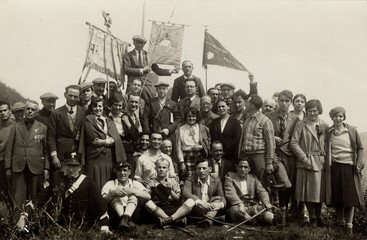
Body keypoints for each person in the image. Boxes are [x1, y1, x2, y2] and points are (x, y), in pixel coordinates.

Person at [15, 152, 111, 234]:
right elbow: (39, 198)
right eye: (69, 165)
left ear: (80, 167)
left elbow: (101, 204)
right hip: (59, 225)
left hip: (82, 226)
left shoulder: (88, 181)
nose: (71, 169)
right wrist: (23, 216)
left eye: (75, 166)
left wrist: (105, 226)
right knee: (26, 232)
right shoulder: (58, 180)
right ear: (64, 165)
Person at [5, 100, 49, 219]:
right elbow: (9, 148)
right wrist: (8, 167)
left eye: (33, 109)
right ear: (24, 110)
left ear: (37, 112)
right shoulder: (15, 127)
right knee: (18, 198)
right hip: (18, 167)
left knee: (34, 197)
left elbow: (46, 150)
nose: (29, 111)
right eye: (28, 108)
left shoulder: (43, 128)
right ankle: (16, 227)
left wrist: (46, 168)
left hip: (36, 168)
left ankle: (32, 224)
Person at [290, 99, 330, 227]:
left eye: (315, 111)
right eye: (310, 111)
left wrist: (326, 155)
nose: (313, 113)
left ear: (319, 111)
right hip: (306, 161)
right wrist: (304, 158)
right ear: (306, 112)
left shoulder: (324, 125)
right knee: (307, 192)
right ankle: (312, 217)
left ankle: (319, 216)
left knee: (319, 192)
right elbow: (293, 143)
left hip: (320, 162)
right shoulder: (301, 124)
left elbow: (329, 142)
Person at [326, 107, 364, 235]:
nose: (338, 119)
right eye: (336, 116)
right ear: (332, 118)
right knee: (337, 195)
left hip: (349, 167)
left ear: (344, 117)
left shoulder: (351, 130)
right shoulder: (329, 131)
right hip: (335, 166)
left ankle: (349, 224)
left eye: (341, 116)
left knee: (350, 197)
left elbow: (360, 148)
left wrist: (359, 163)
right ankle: (340, 222)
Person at [78, 96, 126, 190]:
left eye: (100, 106)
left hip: (108, 159)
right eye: (95, 106)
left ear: (103, 107)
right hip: (94, 158)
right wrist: (109, 140)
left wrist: (104, 141)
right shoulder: (87, 121)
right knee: (94, 185)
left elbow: (116, 139)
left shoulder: (109, 121)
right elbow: (93, 138)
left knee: (108, 185)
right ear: (91, 107)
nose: (98, 108)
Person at [265, 90, 296, 224]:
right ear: (277, 101)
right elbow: (262, 134)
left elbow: (297, 137)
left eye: (287, 101)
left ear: (290, 103)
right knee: (282, 181)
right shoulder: (268, 116)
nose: (284, 103)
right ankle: (276, 212)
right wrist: (272, 137)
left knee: (288, 185)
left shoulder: (295, 118)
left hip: (289, 155)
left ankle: (284, 213)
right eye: (281, 100)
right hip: (274, 154)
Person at [123, 35, 178, 102]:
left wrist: (170, 71)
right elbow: (126, 69)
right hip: (133, 85)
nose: (139, 45)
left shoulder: (149, 55)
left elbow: (156, 70)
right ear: (134, 43)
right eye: (138, 42)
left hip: (147, 86)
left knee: (149, 103)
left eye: (142, 43)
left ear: (144, 44)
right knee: (129, 102)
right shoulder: (128, 55)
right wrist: (142, 70)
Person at [145, 158, 194, 228]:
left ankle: (167, 220)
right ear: (155, 168)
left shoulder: (173, 181)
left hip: (173, 208)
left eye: (164, 167)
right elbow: (148, 198)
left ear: (168, 169)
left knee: (191, 201)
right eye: (159, 167)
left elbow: (178, 200)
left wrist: (170, 191)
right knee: (147, 203)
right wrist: (153, 190)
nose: (161, 169)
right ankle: (174, 221)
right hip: (159, 210)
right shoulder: (151, 182)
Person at [101, 162, 151, 232]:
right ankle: (126, 221)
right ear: (116, 172)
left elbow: (148, 196)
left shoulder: (135, 183)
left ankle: (124, 220)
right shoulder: (110, 183)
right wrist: (112, 193)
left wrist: (134, 191)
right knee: (115, 196)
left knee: (133, 196)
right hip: (115, 213)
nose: (122, 173)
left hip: (133, 212)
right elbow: (102, 200)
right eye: (119, 170)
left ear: (129, 172)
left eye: (125, 170)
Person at [224, 158, 274, 225]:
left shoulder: (253, 178)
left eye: (245, 167)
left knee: (268, 215)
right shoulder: (230, 177)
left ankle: (263, 219)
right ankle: (253, 221)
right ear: (236, 167)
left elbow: (262, 191)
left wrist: (266, 202)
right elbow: (230, 193)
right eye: (241, 167)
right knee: (235, 211)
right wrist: (240, 204)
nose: (243, 169)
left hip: (252, 206)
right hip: (238, 206)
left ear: (249, 169)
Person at [48, 85, 86, 170]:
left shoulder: (84, 112)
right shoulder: (56, 112)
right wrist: (54, 156)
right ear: (65, 95)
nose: (72, 99)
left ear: (79, 97)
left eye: (75, 96)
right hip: (61, 155)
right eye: (70, 95)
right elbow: (51, 136)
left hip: (79, 154)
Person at [238, 95, 275, 183]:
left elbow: (271, 143)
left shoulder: (266, 121)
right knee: (248, 182)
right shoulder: (247, 120)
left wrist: (269, 163)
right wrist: (240, 155)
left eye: (247, 103)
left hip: (259, 157)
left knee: (261, 182)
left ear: (252, 106)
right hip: (246, 156)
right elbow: (242, 139)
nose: (245, 105)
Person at [182, 158, 226, 228]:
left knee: (218, 199)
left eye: (204, 168)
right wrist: (201, 203)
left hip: (210, 206)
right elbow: (185, 193)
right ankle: (212, 219)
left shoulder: (216, 180)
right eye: (199, 168)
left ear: (210, 169)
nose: (201, 171)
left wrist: (220, 205)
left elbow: (222, 196)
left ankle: (206, 220)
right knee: (193, 205)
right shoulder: (190, 179)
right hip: (198, 207)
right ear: (196, 170)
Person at [108, 93, 140, 176]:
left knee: (128, 175)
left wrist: (128, 123)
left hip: (126, 151)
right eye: (115, 105)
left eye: (120, 105)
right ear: (110, 105)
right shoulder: (107, 117)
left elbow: (136, 136)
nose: (118, 108)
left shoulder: (125, 116)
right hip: (112, 150)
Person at [176, 107, 211, 179]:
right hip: (187, 156)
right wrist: (181, 162)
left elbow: (208, 144)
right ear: (186, 117)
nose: (191, 118)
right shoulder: (181, 128)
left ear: (197, 117)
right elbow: (178, 147)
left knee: (201, 176)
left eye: (193, 116)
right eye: (189, 116)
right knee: (189, 178)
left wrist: (201, 147)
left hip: (199, 155)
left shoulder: (202, 128)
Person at [0, 100, 16, 208]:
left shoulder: (16, 126)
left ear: (10, 111)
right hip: (0, 161)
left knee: (13, 190)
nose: (2, 113)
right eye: (0, 111)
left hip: (12, 162)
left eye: (5, 110)